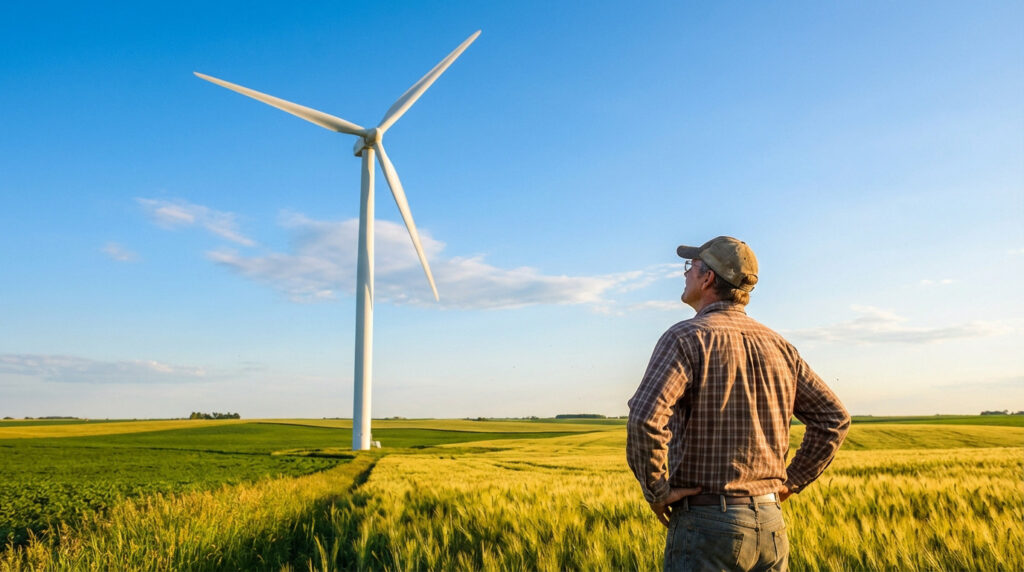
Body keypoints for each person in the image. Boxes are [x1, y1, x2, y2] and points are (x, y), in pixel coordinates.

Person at [626, 236, 850, 572]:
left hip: (706, 526)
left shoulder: (686, 337)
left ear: (708, 278)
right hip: (772, 527)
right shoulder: (780, 347)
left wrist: (656, 489)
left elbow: (646, 418)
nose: (685, 275)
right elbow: (834, 418)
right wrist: (790, 482)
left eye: (691, 267)